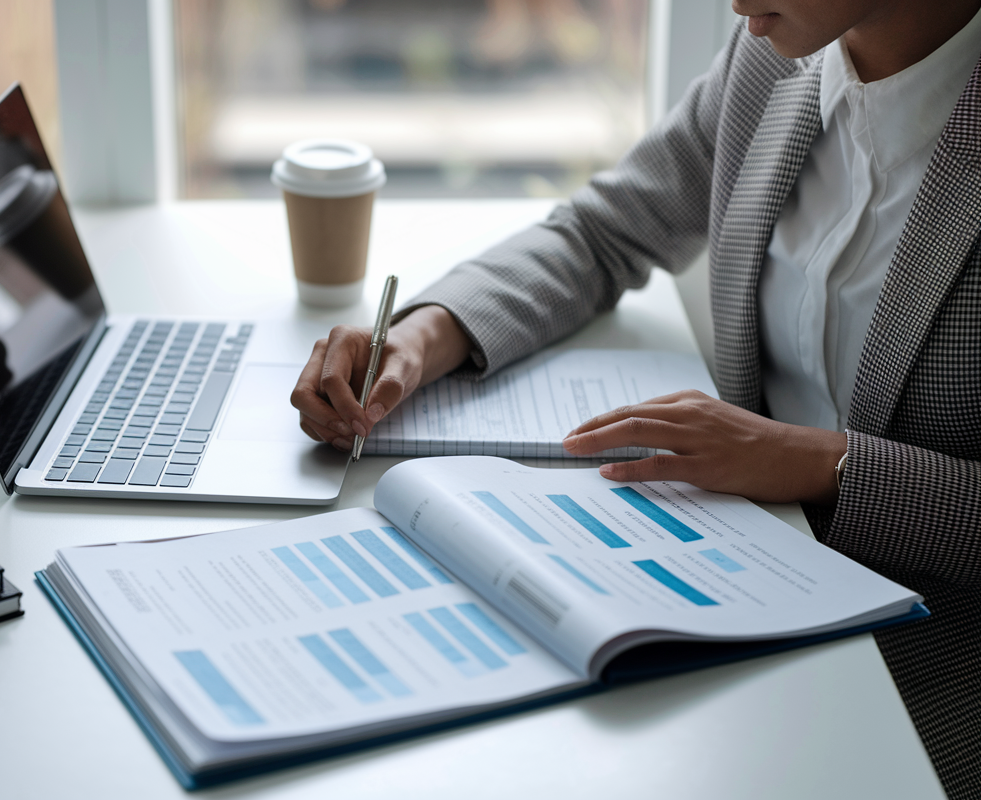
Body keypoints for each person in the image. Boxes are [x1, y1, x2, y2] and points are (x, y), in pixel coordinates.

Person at [291, 1, 981, 797]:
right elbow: (604, 230)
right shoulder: (777, 51)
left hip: (935, 662)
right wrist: (425, 335)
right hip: (725, 582)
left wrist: (816, 463)